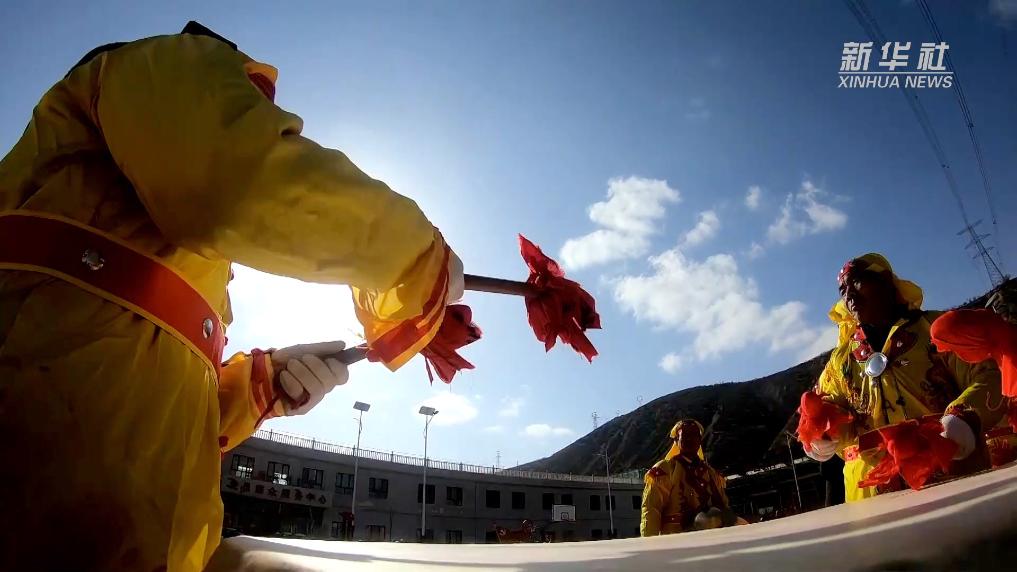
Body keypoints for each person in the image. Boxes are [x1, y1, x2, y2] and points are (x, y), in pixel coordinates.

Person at [0, 22, 463, 572]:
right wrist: (416, 253)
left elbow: (154, 416)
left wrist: (259, 387)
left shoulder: (171, 246)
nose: (264, 123)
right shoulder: (163, 63)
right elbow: (234, 182)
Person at [804, 253, 1002, 502]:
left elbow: (990, 375)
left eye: (857, 282)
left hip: (950, 473)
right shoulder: (840, 360)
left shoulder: (935, 329)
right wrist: (822, 434)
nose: (849, 295)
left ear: (886, 281)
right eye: (843, 290)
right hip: (870, 493)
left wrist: (962, 419)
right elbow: (830, 408)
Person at [640, 419, 731, 536]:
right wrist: (650, 542)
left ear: (700, 440)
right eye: (685, 435)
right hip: (676, 538)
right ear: (676, 440)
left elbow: (724, 505)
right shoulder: (665, 469)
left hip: (712, 536)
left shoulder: (711, 472)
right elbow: (651, 509)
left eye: (694, 435)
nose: (690, 439)